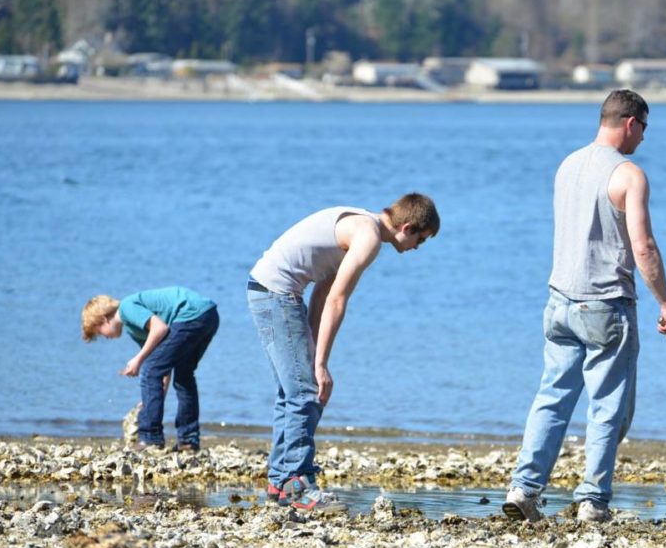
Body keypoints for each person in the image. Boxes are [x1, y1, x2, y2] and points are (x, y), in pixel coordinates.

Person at [503, 89, 666, 524]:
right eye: (644, 130)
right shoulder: (628, 175)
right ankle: (593, 500)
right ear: (631, 123)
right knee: (607, 405)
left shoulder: (568, 164)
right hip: (605, 303)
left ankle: (524, 487)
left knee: (552, 396)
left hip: (559, 298)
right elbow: (644, 247)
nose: (642, 140)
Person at [248, 194, 439, 511]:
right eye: (421, 239)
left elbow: (323, 291)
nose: (417, 247)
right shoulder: (369, 238)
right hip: (276, 294)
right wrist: (320, 364)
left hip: (267, 290)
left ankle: (279, 481)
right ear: (406, 226)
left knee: (294, 390)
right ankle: (298, 484)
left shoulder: (362, 225)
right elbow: (338, 300)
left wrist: (312, 350)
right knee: (304, 393)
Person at [81, 287, 220, 452]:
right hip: (208, 315)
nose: (104, 337)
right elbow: (163, 366)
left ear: (104, 319)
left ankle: (150, 438)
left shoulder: (126, 309)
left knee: (148, 370)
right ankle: (188, 441)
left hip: (190, 315)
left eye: (98, 332)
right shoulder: (134, 330)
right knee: (183, 376)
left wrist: (138, 360)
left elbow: (160, 329)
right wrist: (152, 399)